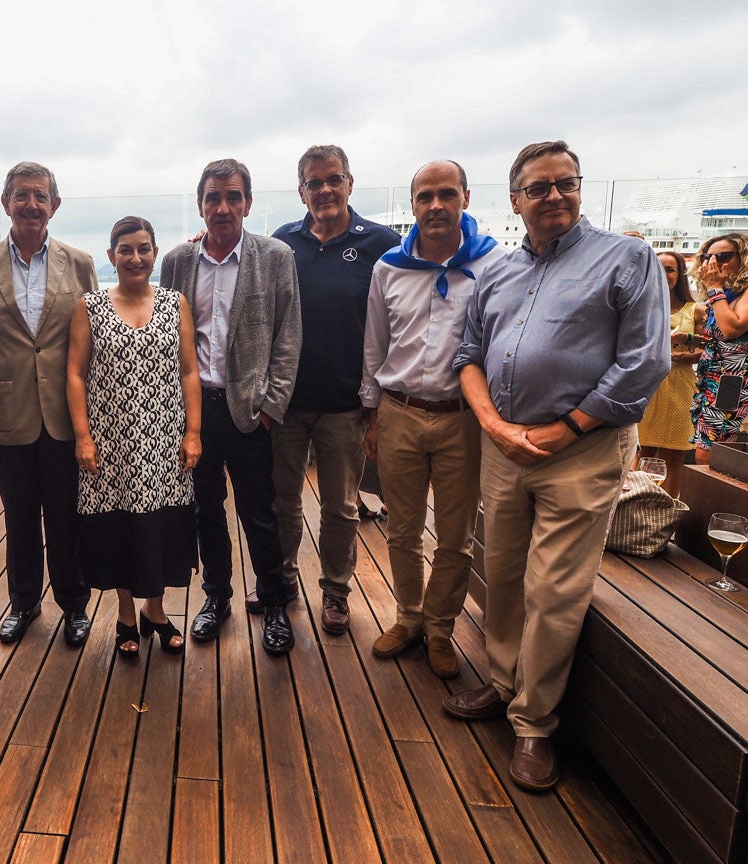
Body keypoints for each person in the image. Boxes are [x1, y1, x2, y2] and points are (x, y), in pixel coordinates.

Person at [448, 141, 668, 792]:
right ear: (513, 201)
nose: (552, 196)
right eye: (536, 188)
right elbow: (468, 353)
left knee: (555, 590)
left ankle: (534, 726)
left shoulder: (625, 259)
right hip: (505, 447)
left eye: (562, 183)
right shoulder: (494, 273)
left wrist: (565, 427)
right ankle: (501, 680)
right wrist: (492, 425)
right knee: (503, 573)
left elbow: (644, 361)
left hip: (580, 450)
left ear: (578, 188)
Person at [359, 160, 505, 679]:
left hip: (463, 419)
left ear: (466, 197)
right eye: (425, 196)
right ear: (413, 204)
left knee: (456, 533)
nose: (436, 205)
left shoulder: (495, 266)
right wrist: (371, 415)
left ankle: (441, 627)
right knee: (400, 529)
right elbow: (375, 345)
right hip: (398, 412)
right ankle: (409, 616)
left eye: (447, 194)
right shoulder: (389, 268)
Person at [158, 158, 302, 655]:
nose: (223, 207)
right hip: (195, 412)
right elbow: (164, 337)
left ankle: (275, 602)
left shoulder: (275, 256)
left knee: (260, 512)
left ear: (247, 203)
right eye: (213, 198)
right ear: (200, 205)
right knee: (206, 511)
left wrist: (270, 405)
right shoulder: (178, 261)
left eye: (233, 197)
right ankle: (216, 597)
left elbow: (288, 335)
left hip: (249, 410)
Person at [0, 162, 95, 648]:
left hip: (64, 415)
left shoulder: (79, 265)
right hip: (7, 413)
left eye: (40, 196)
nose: (31, 204)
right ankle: (23, 604)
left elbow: (91, 342)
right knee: (17, 519)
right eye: (22, 195)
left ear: (54, 206)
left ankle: (74, 605)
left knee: (66, 517)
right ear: (6, 204)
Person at [273, 145, 401, 636]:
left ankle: (335, 593)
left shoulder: (382, 243)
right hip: (285, 402)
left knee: (341, 507)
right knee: (281, 502)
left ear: (350, 182)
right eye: (313, 182)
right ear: (300, 189)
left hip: (347, 405)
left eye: (333, 180)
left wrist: (378, 402)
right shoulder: (281, 243)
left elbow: (397, 320)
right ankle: (281, 585)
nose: (324, 190)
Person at [67, 217, 201, 659]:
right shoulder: (90, 305)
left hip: (163, 442)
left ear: (155, 253)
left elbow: (188, 371)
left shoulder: (174, 302)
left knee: (160, 528)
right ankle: (127, 613)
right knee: (118, 529)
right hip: (111, 445)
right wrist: (83, 437)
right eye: (126, 249)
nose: (136, 257)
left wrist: (193, 432)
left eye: (144, 248)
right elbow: (75, 374)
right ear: (111, 256)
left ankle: (156, 611)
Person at [638, 251, 701, 496]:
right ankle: (633, 512)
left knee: (674, 458)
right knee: (642, 454)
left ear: (680, 275)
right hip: (648, 389)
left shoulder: (694, 310)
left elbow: (713, 348)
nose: (664, 275)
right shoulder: (640, 306)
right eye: (659, 268)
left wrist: (687, 355)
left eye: (670, 269)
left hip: (680, 388)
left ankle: (667, 519)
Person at [690, 233, 748, 461]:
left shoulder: (740, 293)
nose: (714, 263)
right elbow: (720, 340)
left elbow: (732, 329)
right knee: (707, 444)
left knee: (709, 451)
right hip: (712, 378)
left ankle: (708, 496)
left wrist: (714, 286)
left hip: (730, 382)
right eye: (708, 257)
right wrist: (689, 339)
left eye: (723, 256)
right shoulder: (725, 295)